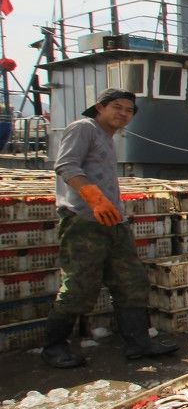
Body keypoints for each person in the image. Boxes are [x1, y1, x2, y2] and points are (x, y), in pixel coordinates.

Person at [41, 89, 179, 369]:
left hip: (114, 223)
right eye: (117, 107)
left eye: (129, 110)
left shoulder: (106, 138)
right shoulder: (84, 128)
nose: (123, 113)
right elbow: (65, 165)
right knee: (79, 286)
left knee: (131, 282)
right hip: (84, 222)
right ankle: (54, 346)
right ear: (100, 107)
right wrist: (95, 199)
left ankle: (138, 343)